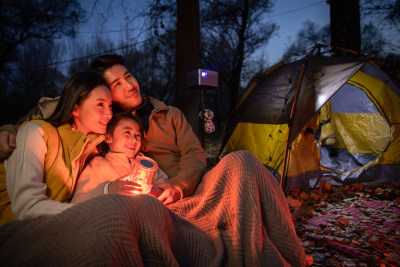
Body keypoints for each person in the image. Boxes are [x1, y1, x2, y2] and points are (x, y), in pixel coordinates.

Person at [0, 54, 206, 206]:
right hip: (135, 198)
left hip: (182, 188)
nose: (130, 85)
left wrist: (178, 186)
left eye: (128, 76)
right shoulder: (105, 119)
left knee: (236, 163)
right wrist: (8, 130)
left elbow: (194, 154)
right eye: (117, 84)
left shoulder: (169, 114)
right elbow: (60, 106)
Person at [0, 71, 121, 225]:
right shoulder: (35, 132)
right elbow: (26, 206)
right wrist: (90, 214)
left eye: (110, 106)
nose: (109, 113)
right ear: (75, 109)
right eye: (100, 104)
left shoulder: (86, 151)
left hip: (46, 226)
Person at [71, 112, 168, 204]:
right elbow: (77, 201)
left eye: (137, 135)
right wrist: (108, 189)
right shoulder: (99, 165)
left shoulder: (145, 163)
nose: (134, 139)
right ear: (108, 137)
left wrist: (156, 192)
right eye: (127, 132)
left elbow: (165, 185)